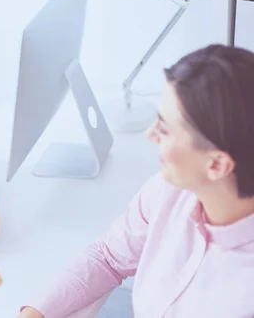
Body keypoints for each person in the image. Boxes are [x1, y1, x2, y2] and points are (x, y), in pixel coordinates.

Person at [18, 44, 254, 317]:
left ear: (216, 164)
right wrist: (37, 313)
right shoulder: (169, 191)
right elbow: (108, 258)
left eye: (164, 129)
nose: (150, 134)